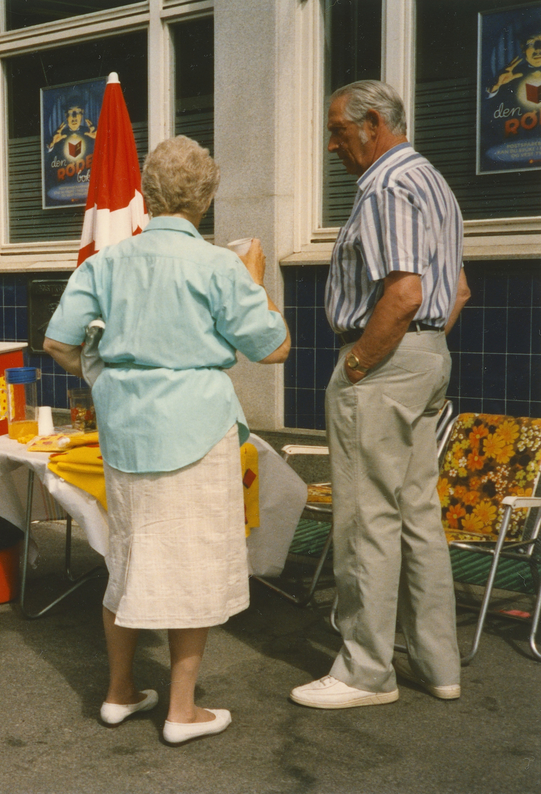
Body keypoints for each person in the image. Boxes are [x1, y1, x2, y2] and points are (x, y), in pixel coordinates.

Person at [43, 135, 289, 744]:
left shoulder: (106, 261)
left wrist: (104, 378)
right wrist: (254, 282)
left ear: (147, 194)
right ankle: (182, 711)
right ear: (206, 197)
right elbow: (274, 347)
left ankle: (119, 692)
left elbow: (57, 343)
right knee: (193, 565)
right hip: (197, 430)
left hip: (126, 430)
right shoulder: (219, 266)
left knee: (128, 557)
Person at [290, 80, 470, 710]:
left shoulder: (388, 186)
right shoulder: (432, 183)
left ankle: (366, 671)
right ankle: (438, 662)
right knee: (417, 515)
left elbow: (404, 293)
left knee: (367, 517)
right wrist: (422, 349)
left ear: (373, 123)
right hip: (425, 359)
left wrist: (364, 363)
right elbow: (458, 291)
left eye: (339, 130)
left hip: (387, 358)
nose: (333, 144)